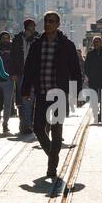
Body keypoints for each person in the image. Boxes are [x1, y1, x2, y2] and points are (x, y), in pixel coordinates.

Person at [21, 11, 83, 180]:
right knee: (38, 128)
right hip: (41, 92)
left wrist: (77, 93)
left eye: (51, 21)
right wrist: (25, 90)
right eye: (46, 21)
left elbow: (76, 71)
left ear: (57, 24)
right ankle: (53, 156)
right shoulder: (37, 44)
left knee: (56, 131)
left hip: (59, 94)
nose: (47, 24)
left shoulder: (66, 45)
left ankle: (51, 167)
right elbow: (29, 69)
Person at [9, 18, 39, 134]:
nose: (33, 28)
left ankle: (27, 124)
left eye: (34, 26)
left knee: (30, 100)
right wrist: (13, 73)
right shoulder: (17, 39)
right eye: (32, 26)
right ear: (27, 27)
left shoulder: (37, 39)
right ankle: (24, 124)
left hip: (33, 74)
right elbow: (12, 58)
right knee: (22, 100)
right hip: (20, 73)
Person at [84, 37, 102, 123]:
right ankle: (95, 113)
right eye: (95, 42)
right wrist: (89, 75)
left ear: (101, 43)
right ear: (93, 43)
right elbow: (86, 66)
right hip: (93, 79)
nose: (96, 43)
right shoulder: (90, 54)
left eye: (98, 42)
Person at [0, 32, 15, 133]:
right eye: (3, 38)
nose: (5, 40)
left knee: (7, 103)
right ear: (0, 39)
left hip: (9, 79)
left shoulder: (13, 49)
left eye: (7, 38)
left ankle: (5, 124)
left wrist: (14, 74)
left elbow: (16, 62)